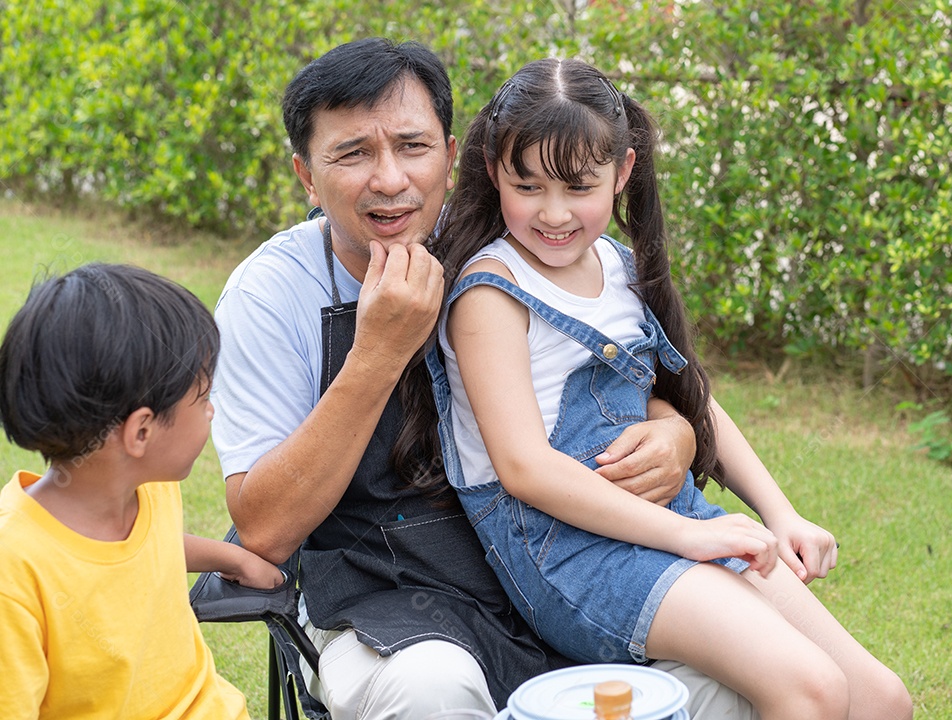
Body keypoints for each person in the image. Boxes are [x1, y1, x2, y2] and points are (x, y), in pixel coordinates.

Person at [210, 38, 758, 719]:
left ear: (451, 150)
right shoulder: (271, 296)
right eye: (353, 153)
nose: (389, 179)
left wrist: (673, 428)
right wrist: (377, 353)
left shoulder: (518, 240)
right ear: (305, 174)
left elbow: (613, 356)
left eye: (412, 145)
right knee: (435, 689)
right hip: (378, 594)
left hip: (553, 563)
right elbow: (263, 530)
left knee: (736, 682)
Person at [429, 57, 913, 720]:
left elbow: (693, 399)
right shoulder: (492, 293)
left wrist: (782, 512)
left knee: (881, 699)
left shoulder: (617, 266)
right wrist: (687, 539)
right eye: (529, 185)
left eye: (579, 187)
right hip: (567, 552)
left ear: (622, 172)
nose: (554, 212)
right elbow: (524, 470)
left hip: (668, 521)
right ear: (493, 172)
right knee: (811, 688)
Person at [0, 263, 284, 720]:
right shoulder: (14, 571)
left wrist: (233, 558)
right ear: (141, 432)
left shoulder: (146, 489)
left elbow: (144, 550)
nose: (212, 411)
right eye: (203, 395)